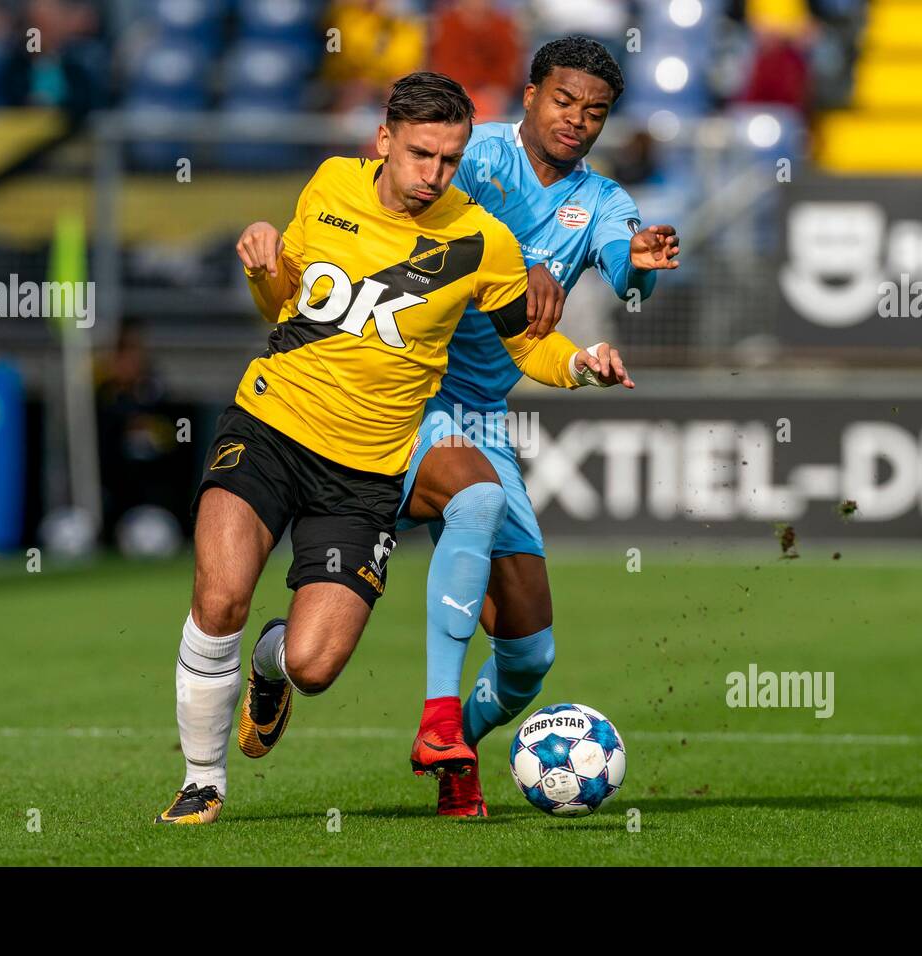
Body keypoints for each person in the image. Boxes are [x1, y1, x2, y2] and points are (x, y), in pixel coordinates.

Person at [156, 71, 630, 825]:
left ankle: (270, 661)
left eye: (448, 159)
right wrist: (265, 266)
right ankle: (202, 780)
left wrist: (578, 365)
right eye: (419, 155)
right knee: (219, 596)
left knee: (314, 667)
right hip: (270, 425)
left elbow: (526, 347)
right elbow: (282, 304)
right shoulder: (331, 184)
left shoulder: (481, 239)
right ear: (384, 141)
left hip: (365, 471)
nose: (433, 175)